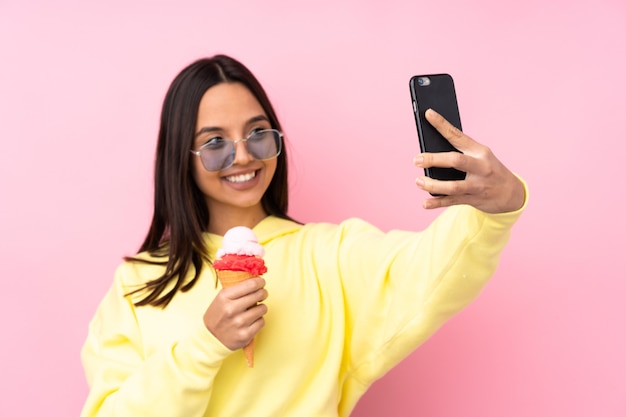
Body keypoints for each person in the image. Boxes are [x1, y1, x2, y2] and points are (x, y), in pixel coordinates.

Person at [80, 54, 527, 417]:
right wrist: (205, 345)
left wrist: (495, 210)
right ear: (181, 155)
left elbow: (431, 270)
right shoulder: (138, 283)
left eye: (257, 134)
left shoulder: (330, 254)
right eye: (214, 142)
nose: (242, 156)